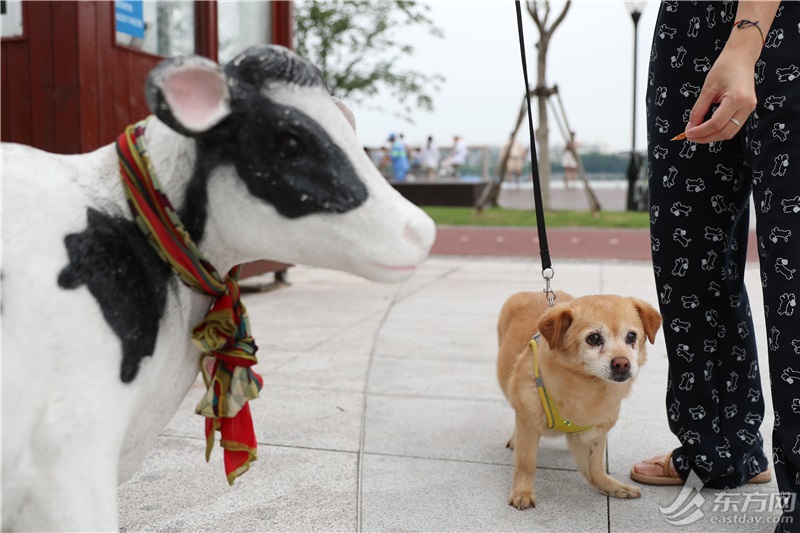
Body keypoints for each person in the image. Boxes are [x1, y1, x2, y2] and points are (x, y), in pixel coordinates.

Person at [631, 2, 799, 529]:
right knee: (690, 266)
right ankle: (721, 449)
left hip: (784, 26)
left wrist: (746, 39)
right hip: (688, 24)